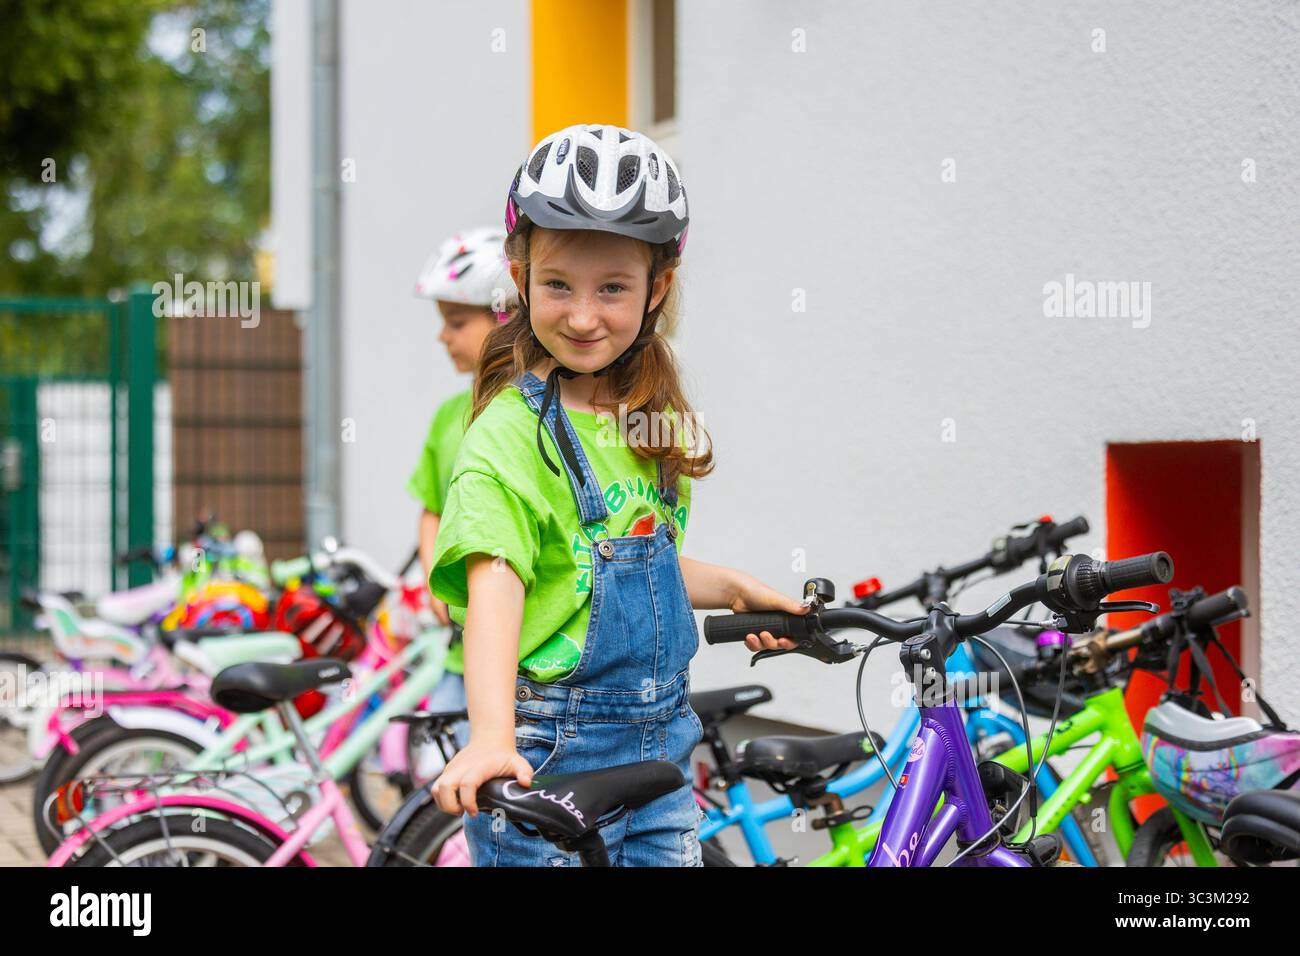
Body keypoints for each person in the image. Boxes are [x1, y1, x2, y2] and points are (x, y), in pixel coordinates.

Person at [428, 124, 800, 866]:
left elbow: (607, 568)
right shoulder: (506, 437)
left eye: (614, 288)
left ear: (656, 289)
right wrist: (493, 738)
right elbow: (495, 589)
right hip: (549, 757)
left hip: (663, 756)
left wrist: (729, 586)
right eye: (559, 284)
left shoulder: (649, 419)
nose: (584, 314)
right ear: (520, 275)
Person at [407, 226, 515, 742]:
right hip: (459, 654)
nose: (441, 336)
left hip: (528, 662)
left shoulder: (534, 415)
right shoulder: (449, 417)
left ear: (505, 317)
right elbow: (432, 506)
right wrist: (433, 581)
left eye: (455, 322)